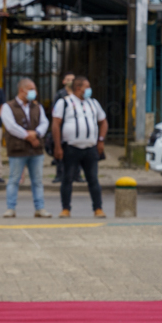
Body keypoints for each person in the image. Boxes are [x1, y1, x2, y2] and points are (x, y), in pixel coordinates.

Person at [52, 75, 107, 218]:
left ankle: (98, 208)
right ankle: (66, 209)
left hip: (90, 147)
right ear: (78, 88)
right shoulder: (64, 103)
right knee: (67, 178)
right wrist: (57, 146)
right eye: (86, 87)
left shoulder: (93, 103)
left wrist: (100, 140)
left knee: (93, 179)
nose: (89, 90)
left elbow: (103, 122)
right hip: (71, 147)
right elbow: (56, 124)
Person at [0, 78, 51, 218]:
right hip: (17, 150)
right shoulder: (8, 107)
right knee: (14, 179)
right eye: (32, 89)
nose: (35, 92)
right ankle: (11, 208)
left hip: (36, 150)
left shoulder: (37, 106)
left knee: (37, 181)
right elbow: (10, 126)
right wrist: (28, 136)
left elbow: (44, 123)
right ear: (22, 90)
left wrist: (37, 133)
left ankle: (40, 208)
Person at [51, 73, 75, 184]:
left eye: (72, 79)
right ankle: (59, 174)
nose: (70, 81)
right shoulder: (60, 95)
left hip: (75, 127)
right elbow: (54, 110)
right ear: (63, 81)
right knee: (60, 151)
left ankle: (77, 175)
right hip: (62, 125)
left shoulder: (78, 94)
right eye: (68, 79)